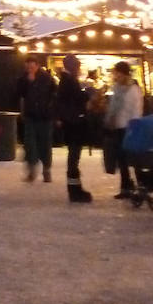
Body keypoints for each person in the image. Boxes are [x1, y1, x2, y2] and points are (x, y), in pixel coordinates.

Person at [103, 60, 144, 199]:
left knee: (134, 159)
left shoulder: (133, 89)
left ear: (125, 74)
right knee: (121, 159)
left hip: (130, 127)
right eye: (115, 74)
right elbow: (112, 107)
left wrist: (135, 127)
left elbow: (137, 110)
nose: (116, 77)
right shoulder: (116, 88)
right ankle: (125, 186)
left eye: (118, 74)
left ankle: (141, 185)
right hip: (118, 127)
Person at [55, 53, 92, 203]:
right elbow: (77, 99)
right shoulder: (69, 81)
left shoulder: (66, 80)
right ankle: (74, 190)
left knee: (73, 155)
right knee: (74, 156)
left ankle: (75, 188)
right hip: (74, 122)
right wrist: (87, 94)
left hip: (70, 122)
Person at [16, 54, 56, 183]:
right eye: (28, 67)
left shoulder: (46, 78)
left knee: (45, 144)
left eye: (32, 67)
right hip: (31, 116)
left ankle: (46, 170)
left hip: (45, 116)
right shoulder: (23, 79)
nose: (30, 70)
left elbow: (54, 95)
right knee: (30, 144)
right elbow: (20, 95)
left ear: (37, 66)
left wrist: (51, 109)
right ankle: (32, 171)